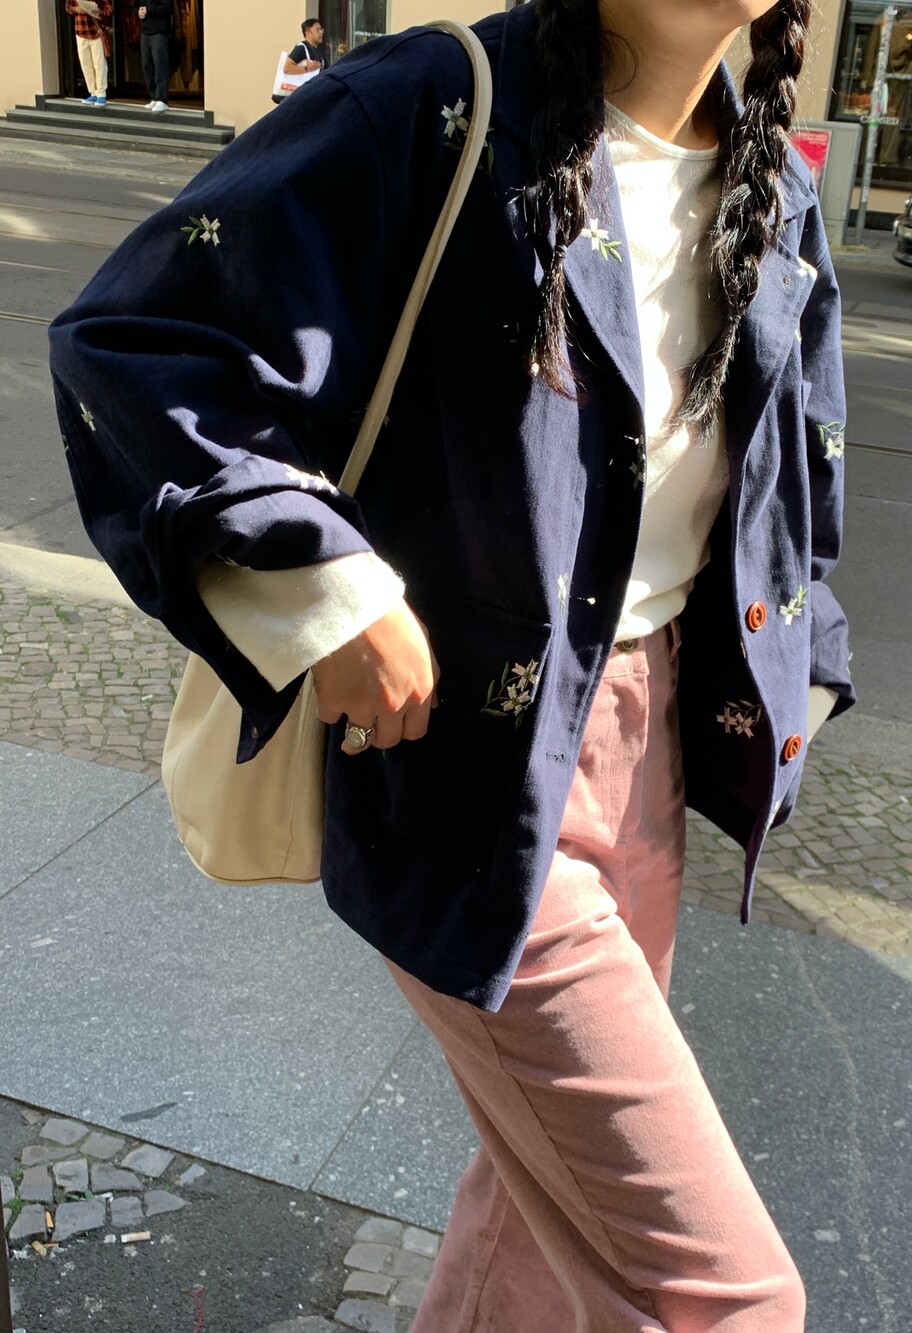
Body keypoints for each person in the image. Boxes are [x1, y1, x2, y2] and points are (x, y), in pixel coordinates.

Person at [50, 0, 854, 1327]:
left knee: (541, 1209)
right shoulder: (435, 103)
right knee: (729, 1296)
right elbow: (143, 337)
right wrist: (328, 589)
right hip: (475, 778)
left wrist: (800, 675)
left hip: (646, 761)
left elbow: (800, 474)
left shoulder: (777, 190)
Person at [65, 0, 113, 108]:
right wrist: (77, 9)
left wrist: (95, 10)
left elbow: (108, 10)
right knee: (86, 64)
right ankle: (93, 92)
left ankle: (101, 93)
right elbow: (68, 7)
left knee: (99, 64)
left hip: (96, 32)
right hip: (80, 32)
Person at [133, 0, 172, 113]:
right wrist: (138, 13)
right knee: (147, 65)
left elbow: (168, 8)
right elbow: (134, 7)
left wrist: (149, 9)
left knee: (160, 65)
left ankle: (162, 99)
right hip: (145, 32)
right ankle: (154, 96)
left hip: (160, 32)